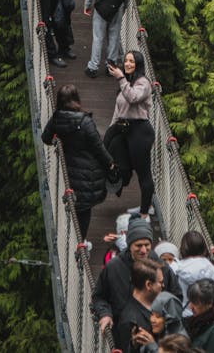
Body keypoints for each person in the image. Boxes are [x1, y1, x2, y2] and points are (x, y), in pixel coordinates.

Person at [41, 83, 116, 240]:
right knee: (83, 210)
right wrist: (110, 163)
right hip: (87, 173)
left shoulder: (56, 119)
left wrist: (60, 141)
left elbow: (46, 138)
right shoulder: (85, 122)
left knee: (72, 206)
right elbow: (98, 147)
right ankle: (80, 245)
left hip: (67, 171)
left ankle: (71, 243)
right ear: (76, 99)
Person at [92, 217, 182, 347]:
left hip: (156, 336)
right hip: (122, 333)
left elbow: (176, 296)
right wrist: (105, 314)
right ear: (129, 245)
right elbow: (99, 296)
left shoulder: (162, 268)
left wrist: (164, 320)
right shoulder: (114, 268)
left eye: (147, 245)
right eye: (138, 245)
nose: (144, 250)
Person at [104, 50, 155, 217]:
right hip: (124, 128)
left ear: (138, 64)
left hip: (140, 131)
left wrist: (120, 78)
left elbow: (133, 98)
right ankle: (121, 184)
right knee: (114, 157)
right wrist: (110, 131)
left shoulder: (144, 83)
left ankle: (144, 212)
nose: (127, 64)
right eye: (126, 61)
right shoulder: (126, 82)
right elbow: (118, 110)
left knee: (143, 172)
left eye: (132, 62)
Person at [116, 259, 164, 353]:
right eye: (160, 282)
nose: (163, 285)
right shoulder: (131, 321)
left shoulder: (157, 306)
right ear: (149, 285)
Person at [172, 232, 214, 310]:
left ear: (183, 248)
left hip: (182, 314)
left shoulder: (176, 268)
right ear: (204, 247)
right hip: (208, 315)